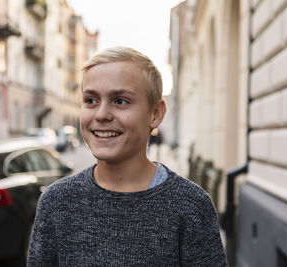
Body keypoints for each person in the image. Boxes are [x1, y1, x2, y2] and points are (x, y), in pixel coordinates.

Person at [27, 46, 227, 266]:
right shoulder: (56, 202)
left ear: (156, 113)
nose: (102, 114)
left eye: (120, 101)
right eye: (91, 100)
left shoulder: (191, 206)